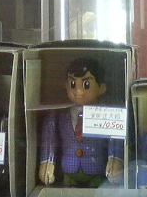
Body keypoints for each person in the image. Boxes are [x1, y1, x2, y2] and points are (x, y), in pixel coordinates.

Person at [38, 57, 123, 187]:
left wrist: (115, 159)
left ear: (102, 88)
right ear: (65, 85)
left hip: (97, 170)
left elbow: (115, 137)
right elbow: (49, 139)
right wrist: (47, 161)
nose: (78, 91)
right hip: (69, 170)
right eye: (73, 84)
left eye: (86, 85)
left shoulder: (107, 115)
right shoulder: (59, 115)